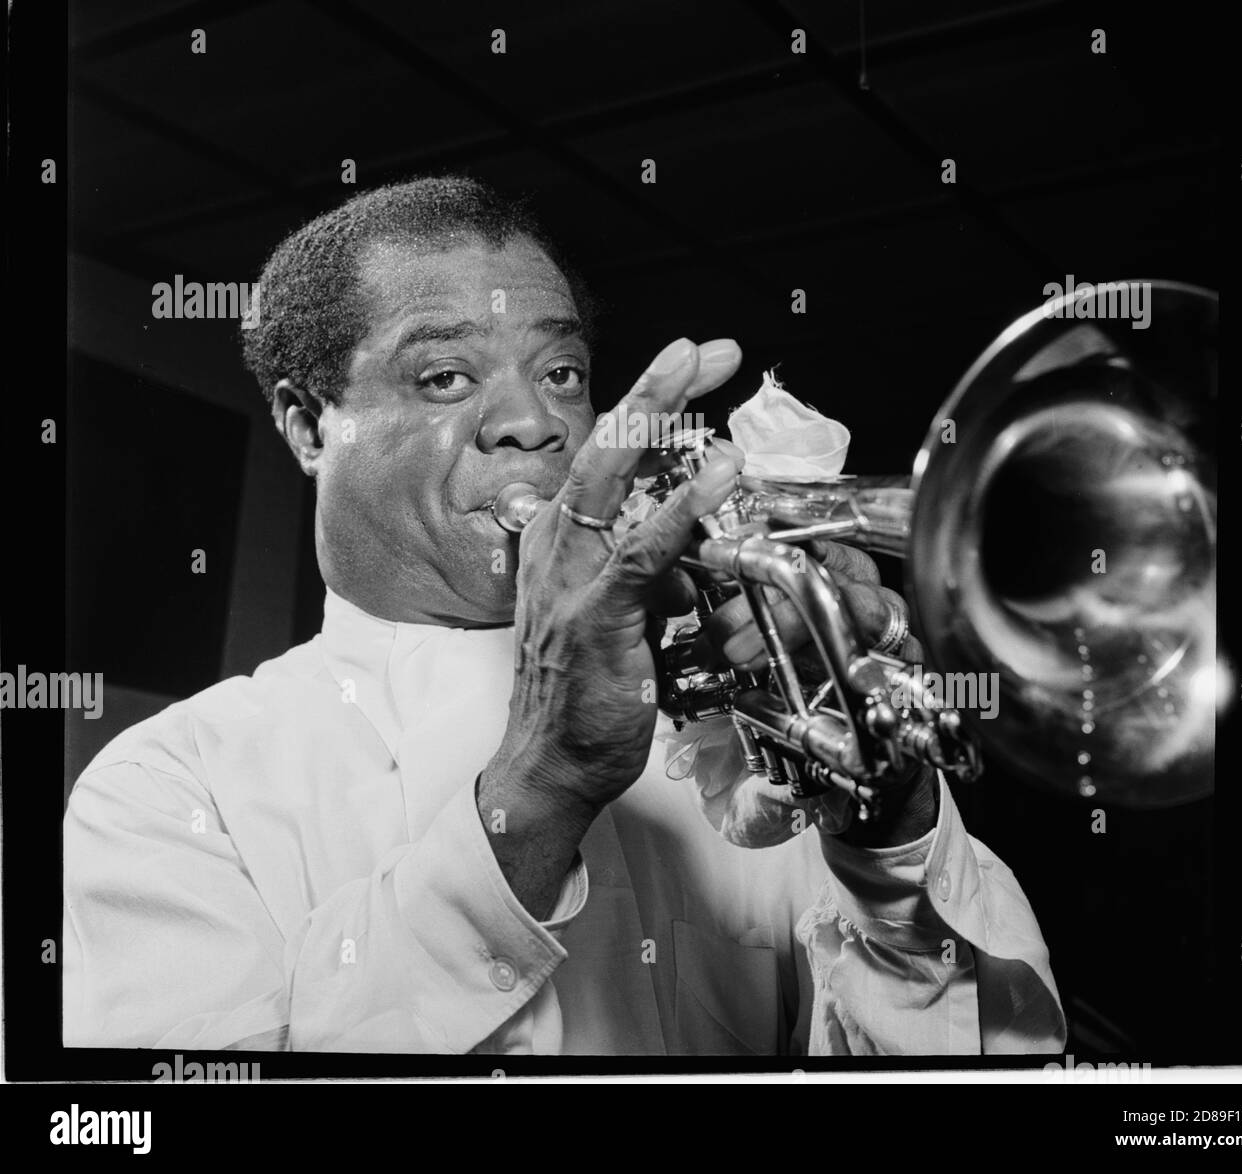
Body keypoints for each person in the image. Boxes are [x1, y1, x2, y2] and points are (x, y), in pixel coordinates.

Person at [63, 175, 1065, 1057]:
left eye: (563, 374)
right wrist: (543, 783)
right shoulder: (168, 788)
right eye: (445, 376)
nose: (537, 422)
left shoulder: (733, 736)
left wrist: (880, 819)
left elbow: (970, 1062)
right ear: (305, 424)